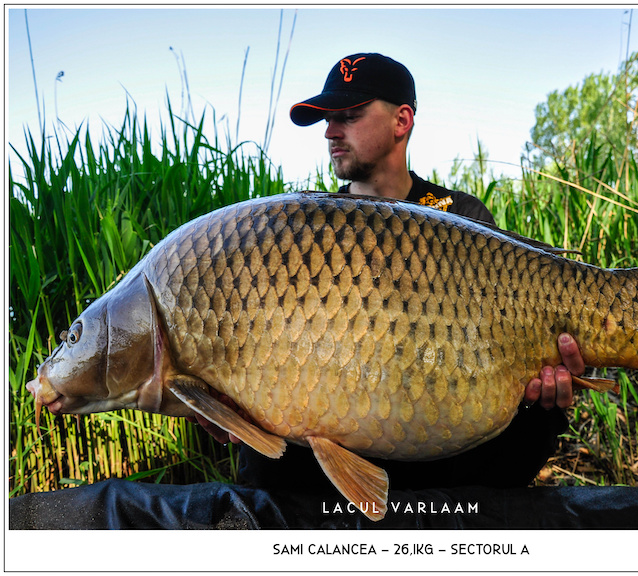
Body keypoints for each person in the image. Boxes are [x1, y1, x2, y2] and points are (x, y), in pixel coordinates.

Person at [196, 53, 586, 493]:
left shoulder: (461, 215)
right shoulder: (307, 230)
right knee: (266, 446)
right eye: (327, 120)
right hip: (334, 436)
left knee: (542, 408)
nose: (330, 131)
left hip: (441, 433)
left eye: (349, 115)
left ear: (402, 120)